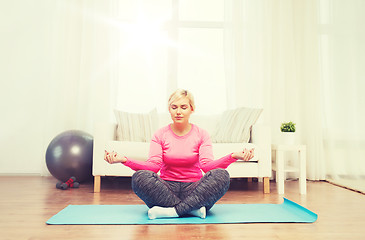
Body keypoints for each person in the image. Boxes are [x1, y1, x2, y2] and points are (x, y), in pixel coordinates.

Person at [104, 89, 254, 220]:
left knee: (221, 175)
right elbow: (153, 167)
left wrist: (233, 156)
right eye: (174, 107)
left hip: (195, 190)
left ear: (192, 109)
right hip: (165, 189)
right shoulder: (160, 134)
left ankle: (173, 211)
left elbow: (207, 166)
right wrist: (124, 160)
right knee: (139, 177)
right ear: (169, 109)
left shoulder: (202, 134)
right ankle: (192, 210)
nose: (178, 111)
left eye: (183, 107)